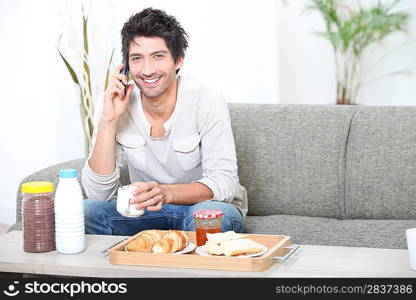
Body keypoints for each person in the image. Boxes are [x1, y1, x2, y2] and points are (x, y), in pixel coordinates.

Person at [82, 7, 247, 236]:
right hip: (146, 213)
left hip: (200, 208)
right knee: (87, 212)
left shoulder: (205, 97)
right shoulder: (114, 102)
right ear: (127, 66)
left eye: (158, 56)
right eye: (137, 58)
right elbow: (97, 195)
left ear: (178, 60)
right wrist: (108, 121)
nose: (148, 70)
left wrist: (165, 192)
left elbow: (225, 182)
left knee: (215, 215)